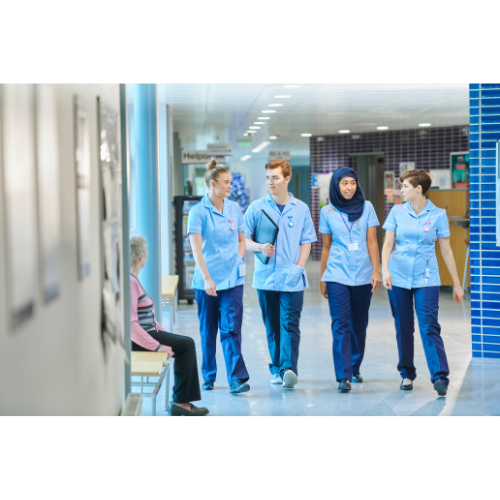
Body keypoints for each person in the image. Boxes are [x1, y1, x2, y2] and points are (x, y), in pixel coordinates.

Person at [381, 169, 464, 397]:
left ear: (419, 188)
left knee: (429, 326)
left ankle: (440, 377)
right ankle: (407, 373)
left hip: (427, 278)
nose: (401, 190)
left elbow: (446, 251)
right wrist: (384, 269)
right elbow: (388, 244)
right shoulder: (397, 212)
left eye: (405, 186)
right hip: (398, 277)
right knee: (403, 327)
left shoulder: (437, 215)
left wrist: (457, 284)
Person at [244, 160, 317, 389]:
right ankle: (276, 367)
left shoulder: (301, 209)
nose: (270, 182)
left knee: (290, 324)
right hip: (266, 278)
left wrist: (298, 266)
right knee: (272, 326)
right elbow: (244, 240)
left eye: (274, 177)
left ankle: (288, 369)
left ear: (287, 178)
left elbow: (307, 241)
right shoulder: (257, 207)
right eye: (268, 177)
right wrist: (259, 248)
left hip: (292, 277)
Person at [187, 159, 250, 394]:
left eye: (230, 182)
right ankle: (208, 375)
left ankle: (236, 378)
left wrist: (239, 259)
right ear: (213, 184)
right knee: (208, 329)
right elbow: (196, 249)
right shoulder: (198, 212)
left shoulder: (234, 208)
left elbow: (242, 240)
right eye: (226, 183)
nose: (230, 186)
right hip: (207, 281)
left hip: (233, 280)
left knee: (231, 327)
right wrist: (206, 278)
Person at [130, 233, 208, 416]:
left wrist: (165, 335)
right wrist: (157, 346)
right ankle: (181, 402)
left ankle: (181, 400)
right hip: (140, 340)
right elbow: (132, 325)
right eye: (146, 251)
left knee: (184, 342)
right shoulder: (130, 281)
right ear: (141, 257)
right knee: (187, 345)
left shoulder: (134, 280)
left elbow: (148, 317)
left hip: (149, 333)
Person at [319, 167, 382, 393]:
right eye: (344, 183)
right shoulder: (327, 212)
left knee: (359, 325)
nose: (348, 187)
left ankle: (354, 366)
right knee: (340, 324)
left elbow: (372, 242)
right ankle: (343, 376)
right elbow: (326, 247)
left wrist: (377, 270)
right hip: (337, 274)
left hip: (363, 275)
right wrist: (323, 276)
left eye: (352, 182)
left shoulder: (367, 208)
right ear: (336, 185)